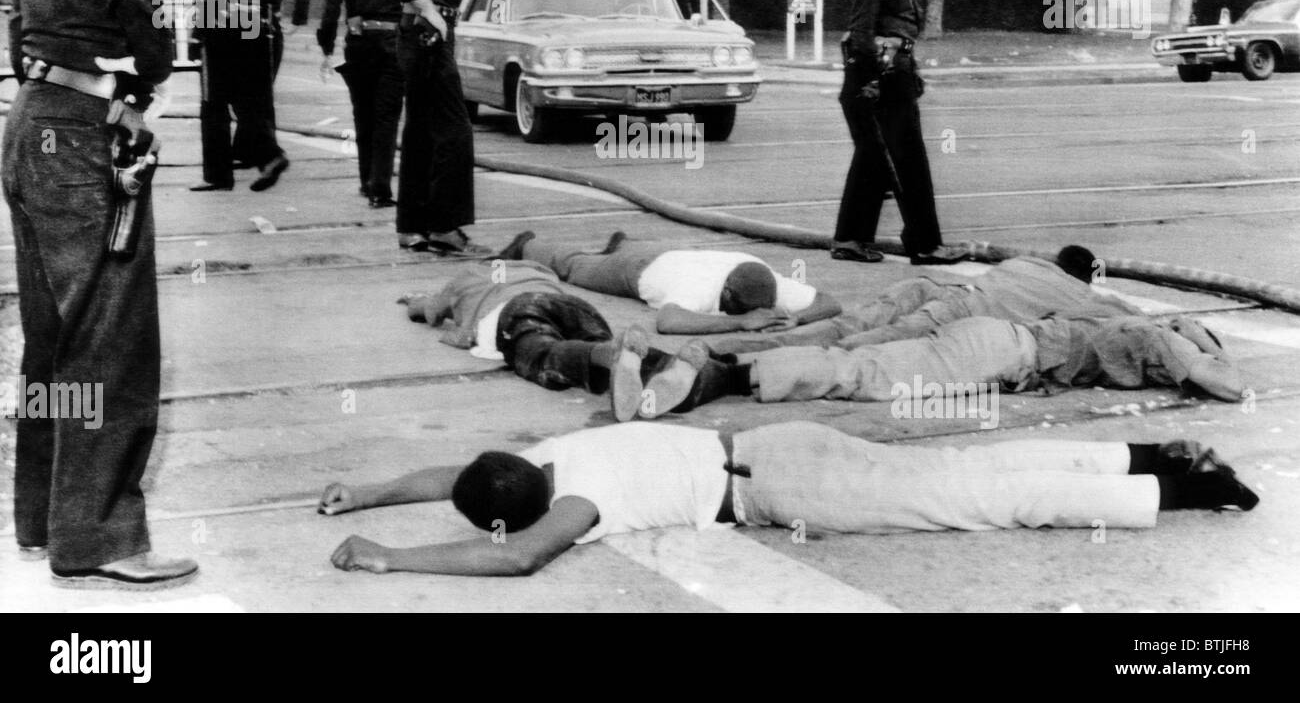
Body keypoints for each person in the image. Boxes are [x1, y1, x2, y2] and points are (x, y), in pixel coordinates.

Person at [2, 0, 200, 589]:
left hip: (33, 117)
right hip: (83, 134)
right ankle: (108, 540)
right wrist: (145, 72)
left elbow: (21, 10)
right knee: (114, 346)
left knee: (53, 342)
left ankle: (49, 523)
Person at [320, 424, 1257, 576]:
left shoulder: (577, 505)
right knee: (968, 465)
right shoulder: (559, 455)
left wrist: (390, 555)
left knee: (975, 499)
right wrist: (364, 491)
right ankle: (1136, 450)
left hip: (785, 487)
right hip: (769, 448)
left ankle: (1176, 487)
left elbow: (518, 558)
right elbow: (453, 473)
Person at [635, 310, 1245, 417]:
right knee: (865, 374)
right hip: (1001, 352)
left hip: (996, 342)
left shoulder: (1133, 330)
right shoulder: (1164, 339)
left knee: (860, 358)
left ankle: (718, 365)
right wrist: (1203, 344)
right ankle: (719, 375)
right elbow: (1228, 387)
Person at [832, 0, 966, 266]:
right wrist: (874, 81)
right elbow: (862, 31)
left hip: (893, 68)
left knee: (875, 157)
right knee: (909, 159)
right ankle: (925, 245)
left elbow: (895, 23)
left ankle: (852, 239)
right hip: (883, 73)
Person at [400, 261, 714, 420]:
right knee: (608, 367)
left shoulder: (467, 276)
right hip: (571, 306)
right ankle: (673, 365)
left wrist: (414, 301)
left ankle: (609, 353)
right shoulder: (536, 269)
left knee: (542, 354)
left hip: (518, 310)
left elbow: (427, 311)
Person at [709, 246, 1141, 355]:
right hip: (958, 311)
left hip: (935, 287)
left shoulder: (1028, 262)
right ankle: (757, 356)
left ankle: (781, 334)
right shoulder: (1078, 295)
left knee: (855, 322)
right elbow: (1128, 316)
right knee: (864, 343)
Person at [380, 0, 489, 255]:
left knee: (423, 130)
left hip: (425, 37)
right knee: (455, 130)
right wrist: (426, 7)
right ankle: (444, 226)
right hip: (427, 36)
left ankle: (414, 227)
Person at [496, 229, 842, 335]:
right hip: (639, 269)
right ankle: (528, 244)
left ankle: (623, 243)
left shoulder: (765, 280)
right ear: (726, 293)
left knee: (618, 255)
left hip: (677, 252)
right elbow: (667, 321)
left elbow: (829, 301)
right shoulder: (698, 288)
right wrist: (741, 322)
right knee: (576, 268)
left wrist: (799, 317)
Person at [181, 0, 289, 192]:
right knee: (246, 100)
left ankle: (217, 175)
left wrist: (197, 34)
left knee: (212, 104)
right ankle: (270, 156)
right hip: (250, 29)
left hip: (224, 33)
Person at [319, 0, 406, 207]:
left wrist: (326, 49)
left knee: (363, 115)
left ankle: (366, 180)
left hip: (359, 46)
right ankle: (381, 188)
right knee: (387, 118)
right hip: (394, 46)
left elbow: (330, 11)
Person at [228, 0, 311, 171]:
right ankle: (248, 150)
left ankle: (264, 151)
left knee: (261, 95)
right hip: (239, 33)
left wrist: (296, 22)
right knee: (240, 95)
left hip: (267, 34)